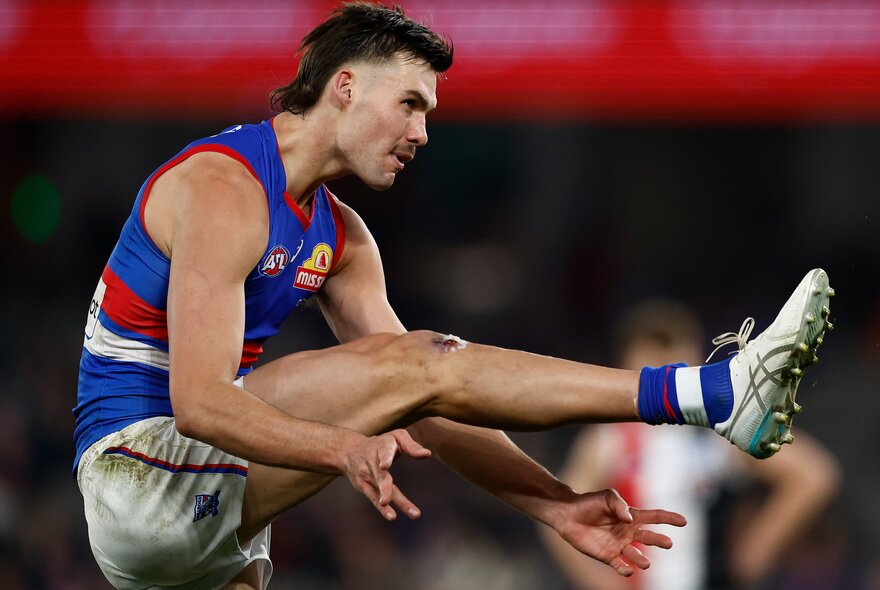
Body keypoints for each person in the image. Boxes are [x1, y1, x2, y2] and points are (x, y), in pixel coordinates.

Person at [72, 3, 835, 589]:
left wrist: (553, 503)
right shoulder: (225, 186)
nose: (422, 132)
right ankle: (711, 391)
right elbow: (200, 401)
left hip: (202, 511)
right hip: (138, 473)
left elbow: (431, 403)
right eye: (410, 103)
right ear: (343, 88)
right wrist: (338, 447)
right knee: (419, 359)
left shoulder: (343, 238)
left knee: (418, 370)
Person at [542, 300, 841, 590]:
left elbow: (812, 475)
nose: (663, 359)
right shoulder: (609, 439)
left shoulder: (718, 432)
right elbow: (559, 511)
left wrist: (756, 548)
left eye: (672, 346)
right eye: (653, 348)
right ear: (625, 360)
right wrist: (597, 581)